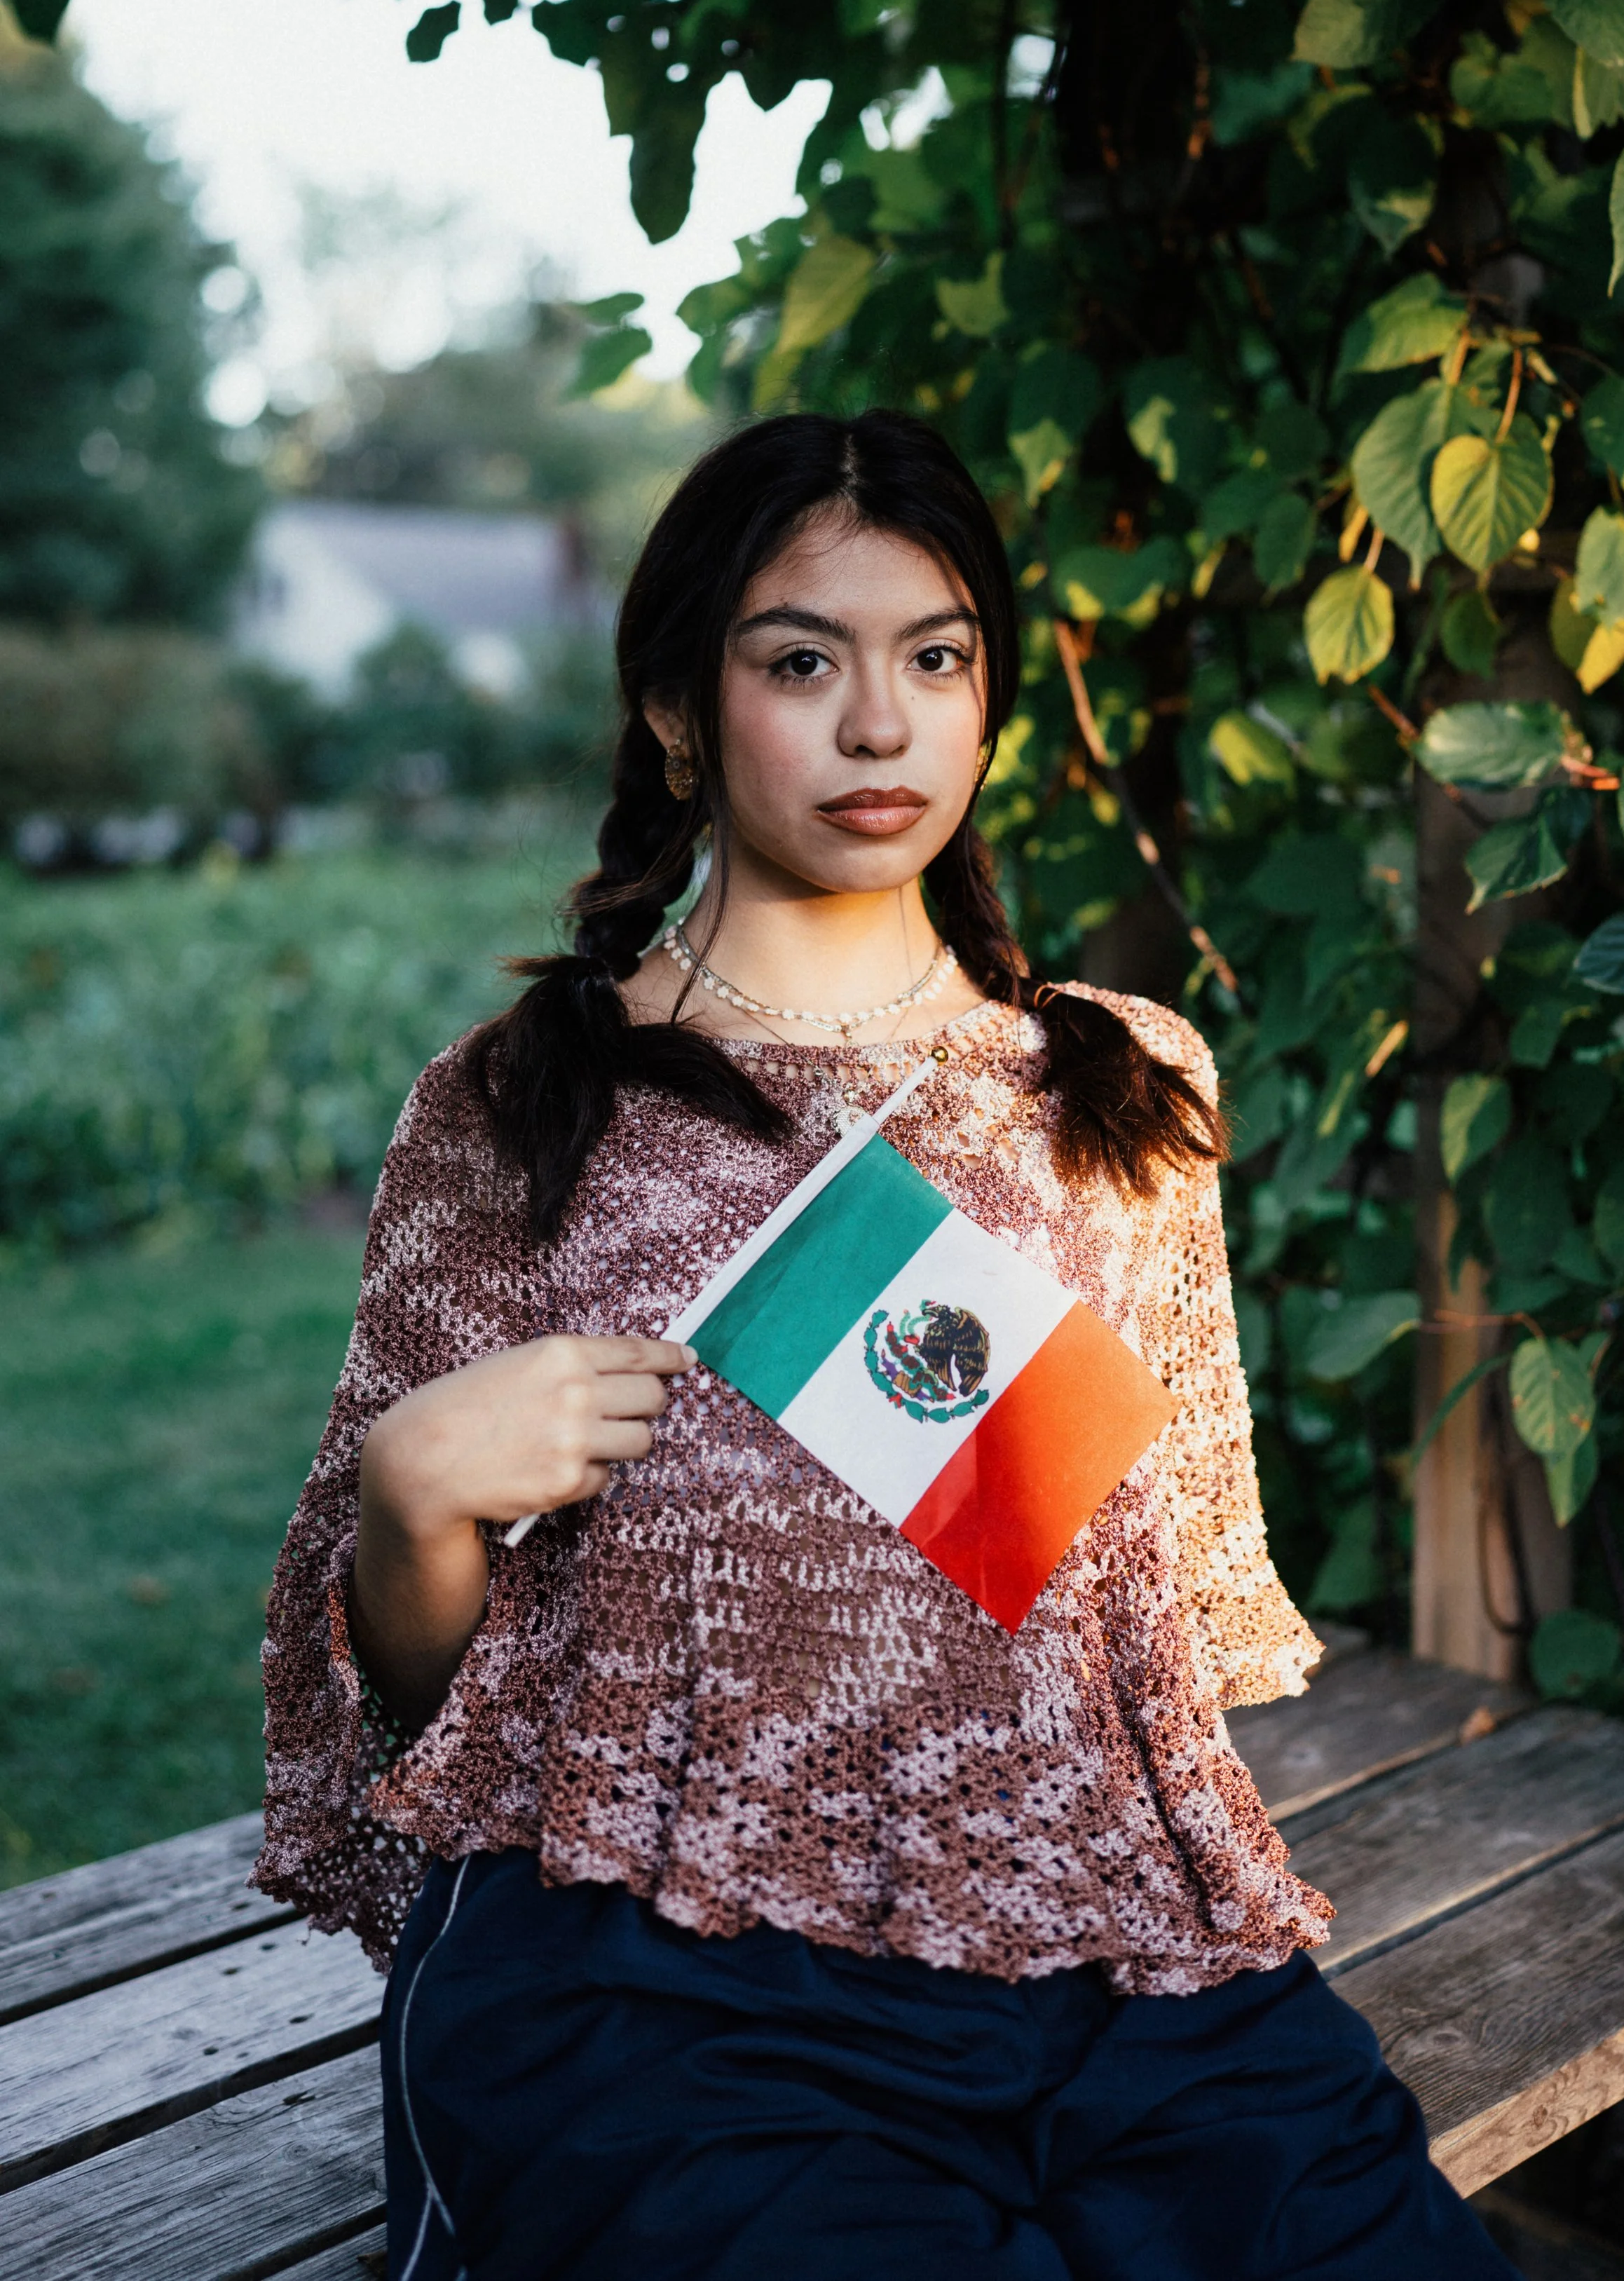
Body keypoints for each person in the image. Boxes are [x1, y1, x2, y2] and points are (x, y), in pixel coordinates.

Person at [257, 409, 1513, 2281]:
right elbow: (435, 1721)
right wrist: (411, 1496)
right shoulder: (521, 1107)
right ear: (678, 712)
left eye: (935, 658)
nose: (878, 726)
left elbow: (1149, 1625)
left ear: (987, 700)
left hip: (1118, 1968)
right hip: (663, 1983)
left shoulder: (1119, 1092)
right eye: (799, 663)